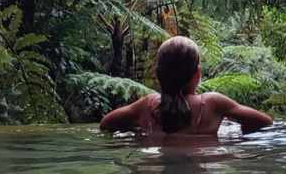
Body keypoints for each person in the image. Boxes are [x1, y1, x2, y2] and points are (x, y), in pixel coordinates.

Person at [100, 36, 273, 137]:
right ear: (197, 73)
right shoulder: (212, 103)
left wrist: (136, 131)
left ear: (158, 74)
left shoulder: (147, 105)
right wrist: (239, 133)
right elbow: (265, 122)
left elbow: (106, 123)